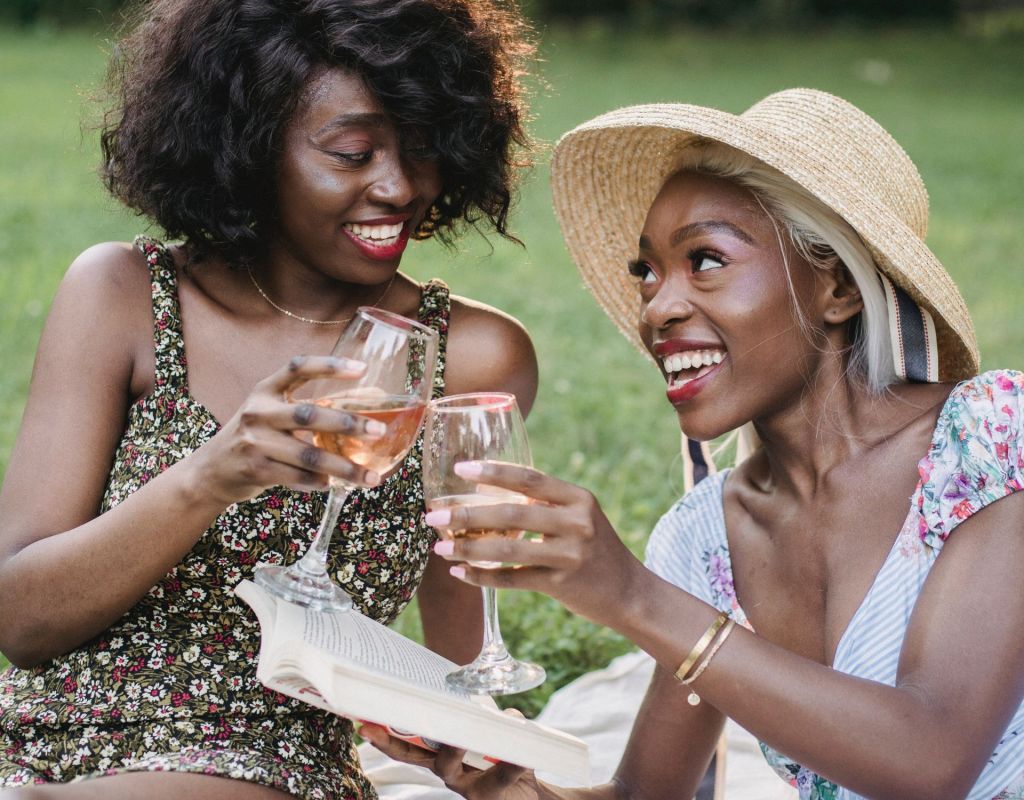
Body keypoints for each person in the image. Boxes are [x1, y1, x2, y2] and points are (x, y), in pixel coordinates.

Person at [361, 89, 1024, 799]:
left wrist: (630, 595)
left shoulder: (986, 438)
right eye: (646, 271)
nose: (659, 306)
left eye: (705, 259)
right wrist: (509, 786)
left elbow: (933, 758)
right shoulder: (704, 538)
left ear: (836, 287)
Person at [0, 0, 538, 797]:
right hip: (38, 723)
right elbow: (21, 622)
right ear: (249, 148)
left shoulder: (470, 355)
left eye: (421, 146)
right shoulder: (122, 296)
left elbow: (464, 653)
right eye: (352, 153)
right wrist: (213, 474)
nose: (398, 186)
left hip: (263, 754)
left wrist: (476, 739)